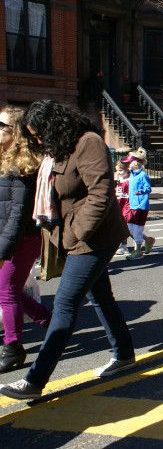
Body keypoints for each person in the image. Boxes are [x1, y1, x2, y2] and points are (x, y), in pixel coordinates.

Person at [0, 100, 135, 400]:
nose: (37, 140)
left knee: (64, 305)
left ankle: (35, 380)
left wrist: (77, 232)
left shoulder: (88, 143)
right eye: (33, 136)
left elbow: (101, 193)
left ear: (55, 125)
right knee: (100, 297)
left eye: (39, 134)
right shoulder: (58, 149)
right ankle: (124, 353)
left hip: (94, 238)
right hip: (76, 238)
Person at [0, 105, 51, 373]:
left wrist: (3, 248)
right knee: (11, 290)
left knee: (5, 291)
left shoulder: (24, 166)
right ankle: (48, 322)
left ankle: (13, 347)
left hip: (21, 238)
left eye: (2, 126)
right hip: (8, 237)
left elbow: (18, 214)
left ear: (15, 132)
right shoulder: (4, 159)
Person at [121, 148, 155, 260]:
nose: (128, 165)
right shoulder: (132, 175)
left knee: (136, 228)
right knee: (129, 228)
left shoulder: (142, 175)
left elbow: (148, 188)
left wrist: (140, 192)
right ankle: (147, 241)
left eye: (129, 163)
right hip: (132, 205)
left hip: (140, 206)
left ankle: (138, 251)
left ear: (136, 163)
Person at [114, 160, 131, 256]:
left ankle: (123, 246)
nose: (118, 173)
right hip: (118, 204)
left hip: (126, 205)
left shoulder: (129, 180)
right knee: (118, 225)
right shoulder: (119, 180)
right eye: (117, 171)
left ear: (127, 170)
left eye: (121, 171)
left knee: (123, 225)